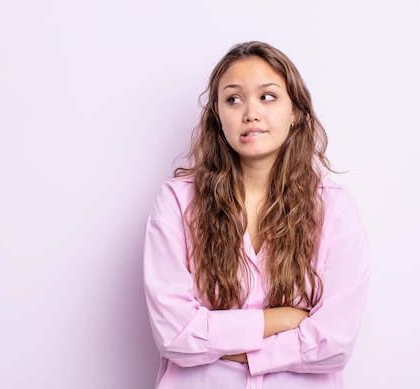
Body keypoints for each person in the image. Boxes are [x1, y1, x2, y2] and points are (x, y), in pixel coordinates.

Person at [143, 41, 371, 389]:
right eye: (233, 99)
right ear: (217, 116)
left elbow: (334, 344)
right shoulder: (177, 201)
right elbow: (176, 335)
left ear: (295, 111)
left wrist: (222, 340)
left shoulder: (334, 208)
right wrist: (279, 320)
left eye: (267, 96)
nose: (250, 113)